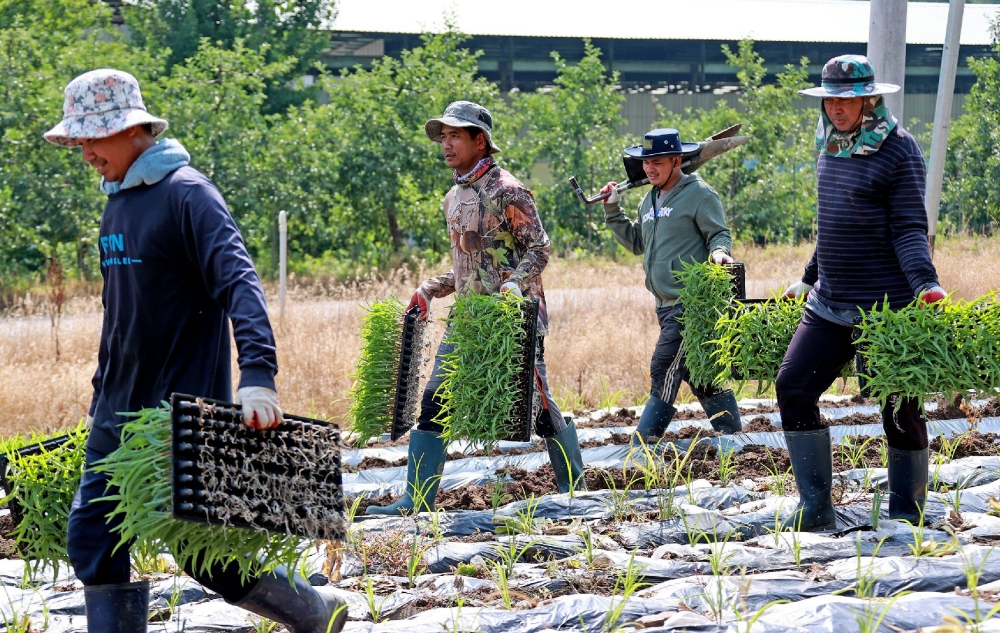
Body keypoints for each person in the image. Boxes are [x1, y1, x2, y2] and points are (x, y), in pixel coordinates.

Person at [45, 69, 346, 633]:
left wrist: (257, 374)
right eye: (79, 140)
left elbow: (239, 282)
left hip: (181, 410)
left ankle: (314, 610)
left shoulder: (187, 194)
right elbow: (122, 317)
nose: (85, 152)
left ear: (134, 130)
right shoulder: (116, 205)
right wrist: (99, 395)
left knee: (209, 558)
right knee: (92, 538)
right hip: (118, 409)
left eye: (93, 137)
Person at [367, 100, 586, 516]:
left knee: (537, 409)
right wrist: (430, 288)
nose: (446, 144)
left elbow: (540, 248)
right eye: (443, 137)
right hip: (468, 319)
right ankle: (416, 501)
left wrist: (514, 285)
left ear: (479, 140)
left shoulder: (508, 189)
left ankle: (574, 488)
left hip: (512, 320)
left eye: (455, 136)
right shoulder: (453, 196)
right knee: (435, 400)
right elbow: (466, 267)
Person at [777, 54, 946, 531]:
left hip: (886, 307)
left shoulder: (899, 150)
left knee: (897, 405)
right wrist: (809, 277)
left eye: (848, 100)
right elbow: (832, 224)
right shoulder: (829, 145)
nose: (837, 108)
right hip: (829, 301)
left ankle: (906, 514)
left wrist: (925, 285)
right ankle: (816, 508)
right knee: (793, 386)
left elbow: (910, 228)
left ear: (871, 98)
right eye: (831, 100)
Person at [600, 128, 743, 447]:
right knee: (700, 375)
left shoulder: (699, 193)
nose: (649, 168)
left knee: (663, 367)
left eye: (657, 162)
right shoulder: (649, 198)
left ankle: (643, 447)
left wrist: (719, 252)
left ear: (677, 160)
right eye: (645, 162)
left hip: (689, 303)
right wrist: (612, 209)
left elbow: (718, 234)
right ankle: (734, 438)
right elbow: (637, 243)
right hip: (663, 305)